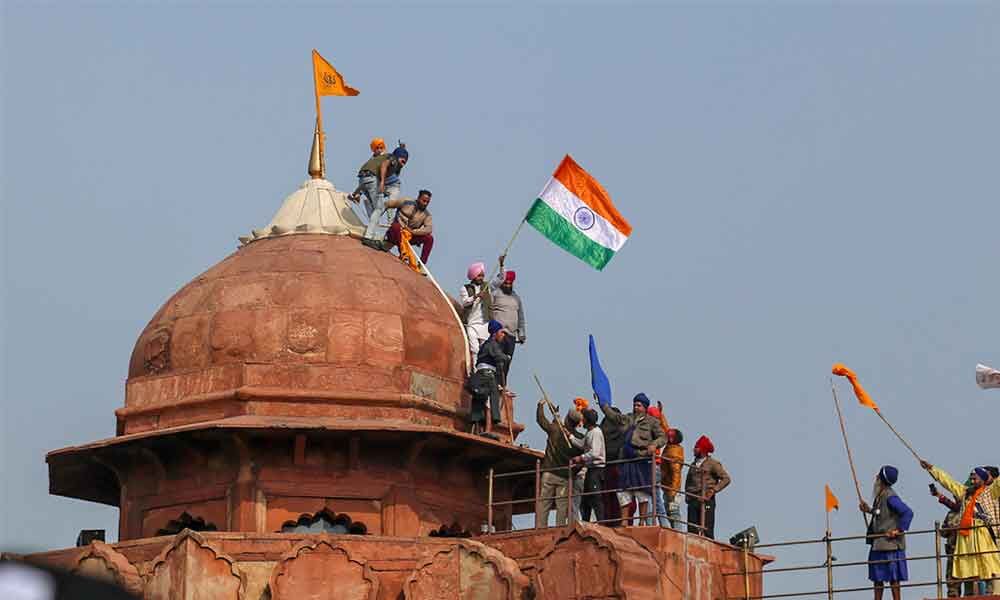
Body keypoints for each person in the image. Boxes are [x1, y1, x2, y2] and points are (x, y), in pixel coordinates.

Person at [920, 460, 1000, 595]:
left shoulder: (990, 492)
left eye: (975, 479)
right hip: (967, 536)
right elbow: (948, 482)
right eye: (972, 479)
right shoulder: (965, 493)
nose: (973, 481)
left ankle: (989, 593)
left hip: (983, 534)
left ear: (983, 479)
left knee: (988, 563)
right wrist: (932, 469)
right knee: (969, 565)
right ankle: (974, 594)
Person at [601, 393, 667, 526]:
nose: (636, 407)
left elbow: (663, 437)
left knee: (642, 492)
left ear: (645, 407)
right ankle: (624, 521)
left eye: (639, 405)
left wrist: (654, 445)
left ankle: (642, 521)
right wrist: (603, 405)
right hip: (625, 459)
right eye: (635, 404)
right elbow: (614, 417)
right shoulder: (628, 418)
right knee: (623, 492)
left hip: (641, 459)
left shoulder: (652, 422)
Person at [859, 466, 913, 600]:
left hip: (890, 545)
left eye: (878, 476)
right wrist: (869, 510)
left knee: (893, 579)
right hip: (878, 544)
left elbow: (907, 512)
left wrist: (898, 530)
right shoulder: (881, 496)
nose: (875, 477)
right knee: (877, 579)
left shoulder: (890, 496)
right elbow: (882, 514)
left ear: (881, 479)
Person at [536, 400, 582, 527]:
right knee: (562, 506)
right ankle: (560, 529)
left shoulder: (555, 429)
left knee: (544, 504)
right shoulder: (578, 438)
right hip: (564, 476)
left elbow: (541, 420)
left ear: (567, 419)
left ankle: (541, 529)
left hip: (549, 472)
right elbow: (582, 461)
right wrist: (572, 472)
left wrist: (540, 405)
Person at [353, 144, 408, 243]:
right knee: (380, 208)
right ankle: (368, 236)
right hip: (372, 179)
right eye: (403, 161)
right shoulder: (393, 159)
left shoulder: (383, 158)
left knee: (376, 209)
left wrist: (356, 193)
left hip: (363, 178)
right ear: (398, 156)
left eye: (405, 163)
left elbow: (365, 179)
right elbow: (384, 165)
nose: (403, 164)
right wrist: (382, 182)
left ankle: (372, 230)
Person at [684, 435, 731, 539]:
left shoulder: (713, 464)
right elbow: (688, 481)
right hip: (693, 498)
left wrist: (713, 491)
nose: (694, 450)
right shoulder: (693, 464)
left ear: (703, 450)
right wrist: (687, 496)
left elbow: (726, 479)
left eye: (697, 447)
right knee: (692, 530)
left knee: (707, 528)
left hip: (706, 498)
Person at [466, 320, 508, 431]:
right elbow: (499, 357)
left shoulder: (485, 345)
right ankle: (495, 418)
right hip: (487, 375)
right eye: (501, 332)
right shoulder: (492, 344)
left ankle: (476, 419)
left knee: (480, 398)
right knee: (494, 392)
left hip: (480, 374)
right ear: (495, 334)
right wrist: (506, 358)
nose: (503, 335)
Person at [489, 254, 526, 379]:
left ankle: (501, 385)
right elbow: (498, 280)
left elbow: (521, 317)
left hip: (512, 335)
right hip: (499, 333)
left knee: (507, 362)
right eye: (506, 282)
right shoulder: (495, 292)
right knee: (497, 360)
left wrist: (522, 333)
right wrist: (501, 265)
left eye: (510, 283)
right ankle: (493, 383)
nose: (508, 285)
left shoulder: (516, 298)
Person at [570, 407, 606, 523]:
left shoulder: (596, 433)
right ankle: (586, 522)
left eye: (584, 419)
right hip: (591, 470)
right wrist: (570, 437)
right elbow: (582, 444)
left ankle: (600, 522)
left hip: (597, 470)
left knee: (595, 498)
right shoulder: (590, 432)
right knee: (586, 500)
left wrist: (581, 458)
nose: (582, 421)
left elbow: (595, 452)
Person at [930, 482, 963, 597]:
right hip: (952, 550)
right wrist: (948, 530)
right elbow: (943, 531)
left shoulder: (969, 511)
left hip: (965, 551)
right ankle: (953, 594)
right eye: (955, 496)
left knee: (969, 576)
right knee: (951, 579)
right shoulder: (951, 513)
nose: (956, 498)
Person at [384, 190, 434, 263]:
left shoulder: (427, 215)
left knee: (429, 238)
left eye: (427, 202)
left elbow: (429, 229)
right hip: (395, 234)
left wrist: (412, 232)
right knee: (396, 226)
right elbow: (388, 204)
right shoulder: (406, 201)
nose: (425, 204)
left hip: (409, 237)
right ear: (418, 198)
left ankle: (422, 263)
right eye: (423, 201)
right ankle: (403, 253)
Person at [599, 400, 627, 527]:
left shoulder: (602, 431)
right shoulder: (623, 432)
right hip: (618, 469)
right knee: (621, 499)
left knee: (607, 500)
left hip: (604, 469)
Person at [459, 262, 491, 360]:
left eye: (482, 276)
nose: (481, 278)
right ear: (473, 276)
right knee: (474, 349)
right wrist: (475, 296)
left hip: (484, 322)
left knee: (484, 349)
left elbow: (500, 279)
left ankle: (482, 369)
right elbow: (465, 303)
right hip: (471, 323)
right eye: (479, 276)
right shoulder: (465, 288)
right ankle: (475, 369)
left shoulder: (486, 286)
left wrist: (501, 265)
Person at [647, 405, 670, 527]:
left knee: (650, 497)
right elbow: (667, 432)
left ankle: (651, 525)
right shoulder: (659, 430)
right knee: (656, 497)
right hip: (655, 465)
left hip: (651, 464)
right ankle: (663, 524)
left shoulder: (650, 430)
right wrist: (661, 415)